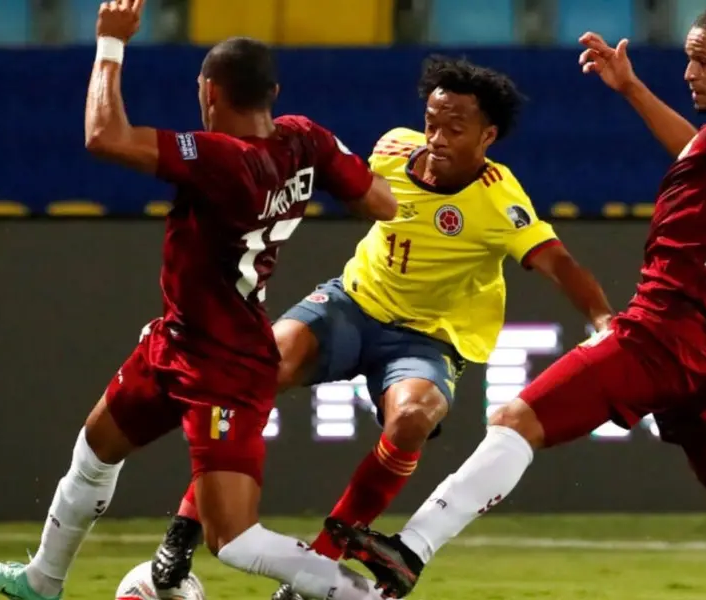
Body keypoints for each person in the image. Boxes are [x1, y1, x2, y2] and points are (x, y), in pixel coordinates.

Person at [324, 5, 706, 600]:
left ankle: (411, 551)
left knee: (516, 421)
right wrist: (630, 88)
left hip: (660, 333)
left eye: (702, 60)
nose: (688, 72)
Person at [0, 2, 400, 600]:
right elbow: (382, 203)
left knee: (233, 538)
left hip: (226, 367)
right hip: (178, 340)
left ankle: (360, 595)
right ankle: (41, 580)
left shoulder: (223, 158)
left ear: (209, 91)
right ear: (273, 91)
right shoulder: (304, 139)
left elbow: (103, 136)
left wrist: (110, 43)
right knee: (96, 447)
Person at [150, 55, 615, 600]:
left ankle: (321, 560)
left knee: (413, 419)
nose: (436, 138)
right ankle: (183, 531)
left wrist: (603, 319)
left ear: (487, 135)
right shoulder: (393, 148)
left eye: (454, 128)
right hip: (351, 305)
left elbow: (559, 263)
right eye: (432, 122)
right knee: (249, 374)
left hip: (428, 338)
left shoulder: (500, 199)